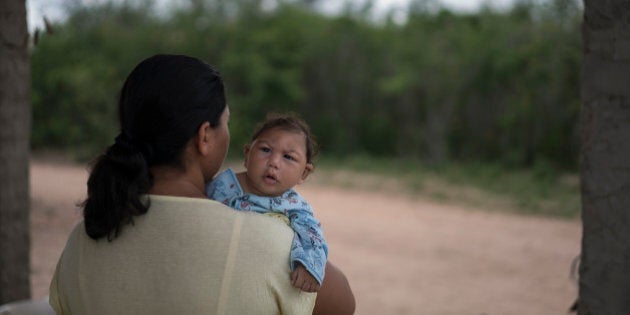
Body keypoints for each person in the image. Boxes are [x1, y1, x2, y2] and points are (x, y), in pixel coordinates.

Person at [48, 54, 355, 314]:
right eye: (227, 123)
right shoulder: (269, 243)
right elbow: (344, 304)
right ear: (204, 136)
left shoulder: (85, 236)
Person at [206, 114, 326, 293]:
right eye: (265, 150)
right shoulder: (222, 185)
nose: (274, 162)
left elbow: (313, 237)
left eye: (288, 157)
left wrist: (309, 266)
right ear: (247, 155)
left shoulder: (294, 207)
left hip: (255, 281)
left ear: (304, 173)